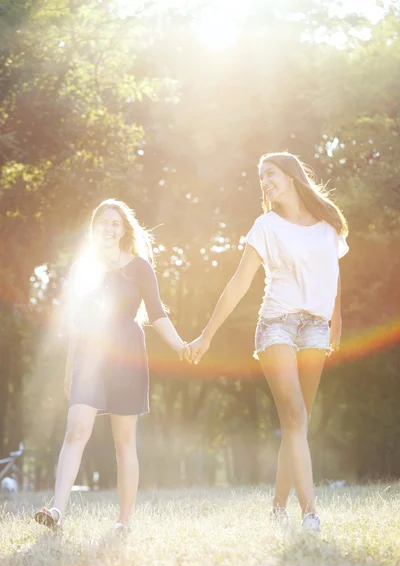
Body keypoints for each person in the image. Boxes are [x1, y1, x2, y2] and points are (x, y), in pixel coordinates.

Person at [188, 152, 348, 531]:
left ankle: (278, 507)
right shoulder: (266, 226)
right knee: (293, 416)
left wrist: (336, 323)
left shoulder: (328, 225)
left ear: (291, 176)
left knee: (298, 423)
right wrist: (207, 334)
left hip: (316, 328)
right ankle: (310, 513)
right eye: (261, 177)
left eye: (270, 174)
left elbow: (335, 277)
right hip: (276, 325)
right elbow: (239, 282)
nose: (265, 182)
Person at [34, 199, 189, 531]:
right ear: (94, 229)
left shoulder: (140, 268)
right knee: (76, 428)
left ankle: (124, 522)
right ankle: (57, 511)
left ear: (124, 229)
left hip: (128, 354)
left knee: (124, 442)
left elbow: (158, 313)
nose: (109, 227)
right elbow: (76, 322)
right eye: (103, 222)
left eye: (116, 222)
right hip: (89, 356)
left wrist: (180, 346)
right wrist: (68, 368)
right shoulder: (82, 269)